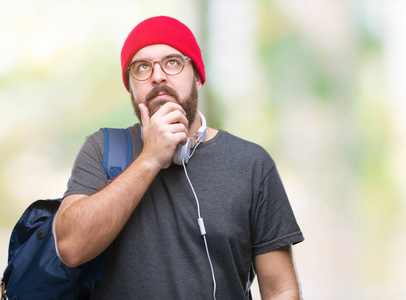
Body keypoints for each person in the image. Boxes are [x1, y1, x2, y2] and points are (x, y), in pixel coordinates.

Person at [54, 16, 304, 300]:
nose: (158, 76)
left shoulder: (251, 163)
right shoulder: (101, 148)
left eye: (172, 62)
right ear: (131, 88)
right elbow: (71, 248)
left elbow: (280, 289)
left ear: (197, 76)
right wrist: (149, 158)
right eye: (142, 67)